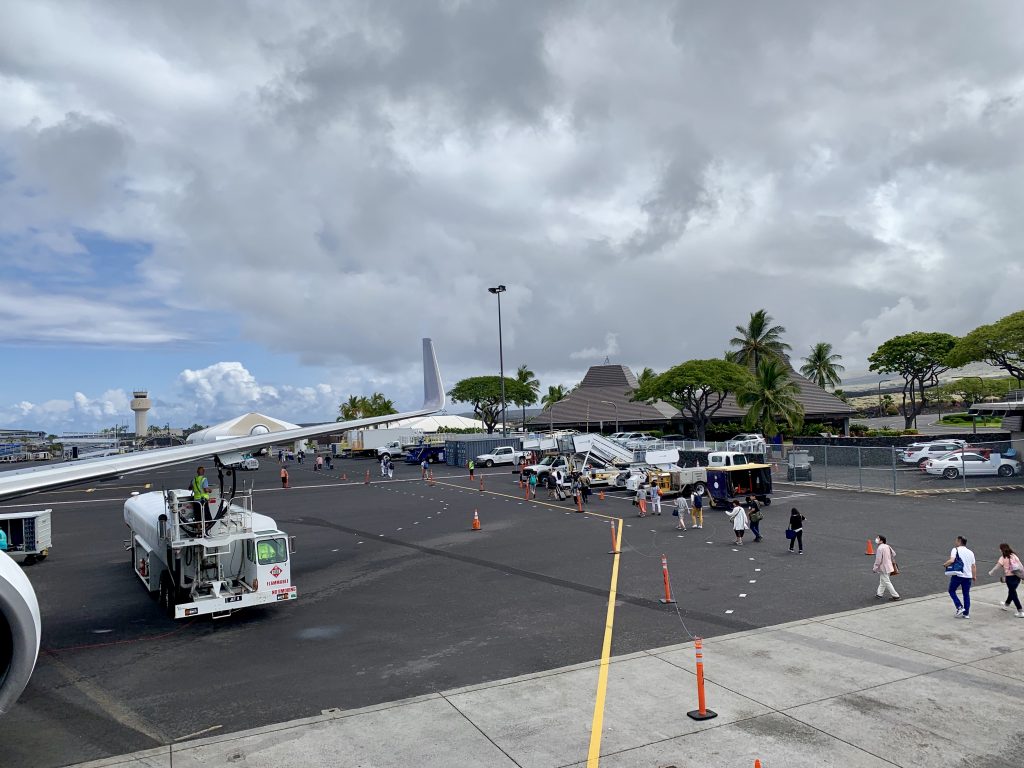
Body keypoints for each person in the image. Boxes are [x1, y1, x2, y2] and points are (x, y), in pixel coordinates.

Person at [987, 543, 1024, 618]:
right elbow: (1020, 566)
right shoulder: (1014, 555)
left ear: (1001, 549)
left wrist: (991, 572)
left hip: (1010, 578)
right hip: (1017, 576)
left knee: (1013, 593)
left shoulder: (1003, 558)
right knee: (1012, 591)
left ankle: (1020, 611)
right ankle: (1006, 605)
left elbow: (997, 566)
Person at [944, 535, 977, 619]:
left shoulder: (955, 549)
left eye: (956, 541)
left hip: (958, 575)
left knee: (951, 590)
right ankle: (966, 613)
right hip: (968, 576)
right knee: (966, 594)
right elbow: (973, 566)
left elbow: (952, 560)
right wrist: (974, 576)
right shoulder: (971, 552)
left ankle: (959, 606)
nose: (955, 542)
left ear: (959, 541)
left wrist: (945, 564)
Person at [872, 535, 900, 600]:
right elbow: (894, 554)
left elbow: (878, 560)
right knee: (882, 581)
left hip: (883, 568)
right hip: (889, 566)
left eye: (878, 538)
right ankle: (879, 594)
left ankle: (895, 595)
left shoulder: (880, 548)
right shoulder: (887, 546)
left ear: (881, 540)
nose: (876, 539)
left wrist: (875, 568)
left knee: (886, 581)